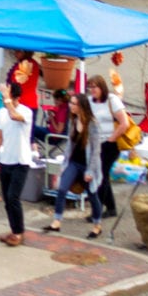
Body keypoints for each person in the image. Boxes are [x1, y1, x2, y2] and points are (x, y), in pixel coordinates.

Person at [48, 93, 98, 234]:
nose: (70, 106)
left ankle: (97, 224)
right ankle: (57, 221)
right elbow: (70, 145)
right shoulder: (73, 121)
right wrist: (64, 165)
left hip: (87, 165)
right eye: (70, 103)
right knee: (62, 189)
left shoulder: (92, 124)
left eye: (73, 103)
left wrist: (91, 171)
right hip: (73, 163)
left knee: (93, 194)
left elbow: (95, 151)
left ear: (81, 106)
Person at [0, 94, 36, 246]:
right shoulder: (1, 112)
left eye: (7, 99)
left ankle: (19, 232)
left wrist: (8, 99)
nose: (4, 102)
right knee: (7, 199)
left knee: (13, 197)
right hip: (6, 160)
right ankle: (14, 229)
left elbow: (15, 116)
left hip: (21, 161)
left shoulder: (26, 112)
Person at [87, 77, 128, 236]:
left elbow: (124, 123)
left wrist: (110, 139)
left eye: (95, 87)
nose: (92, 90)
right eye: (90, 87)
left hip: (110, 144)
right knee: (102, 177)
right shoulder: (90, 101)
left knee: (101, 176)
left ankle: (98, 210)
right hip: (96, 143)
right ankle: (111, 208)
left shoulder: (112, 100)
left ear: (102, 88)